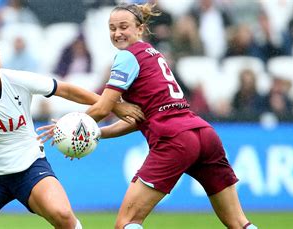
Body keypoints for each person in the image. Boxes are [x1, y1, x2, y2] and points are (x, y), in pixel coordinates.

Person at [38, 3, 256, 229]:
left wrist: (71, 127)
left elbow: (103, 107)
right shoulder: (152, 54)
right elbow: (139, 119)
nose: (117, 33)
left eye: (124, 27)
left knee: (127, 223)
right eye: (112, 28)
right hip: (203, 134)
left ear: (140, 29)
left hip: (175, 139)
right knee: (239, 223)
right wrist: (94, 134)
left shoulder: (127, 57)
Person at [0, 24, 144, 229]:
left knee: (63, 216)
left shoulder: (17, 79)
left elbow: (66, 90)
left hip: (30, 168)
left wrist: (113, 106)